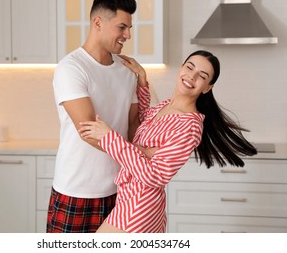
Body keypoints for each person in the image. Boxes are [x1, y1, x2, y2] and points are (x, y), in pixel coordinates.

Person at [78, 50, 258, 233]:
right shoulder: (165, 106)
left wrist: (108, 137)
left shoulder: (190, 126)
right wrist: (142, 79)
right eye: (190, 67)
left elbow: (154, 176)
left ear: (207, 88)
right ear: (181, 68)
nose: (192, 76)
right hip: (130, 199)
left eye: (202, 76)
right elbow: (143, 122)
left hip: (140, 208)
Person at [47, 0, 139, 233]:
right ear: (98, 22)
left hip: (120, 187)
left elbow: (134, 125)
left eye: (129, 28)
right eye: (122, 27)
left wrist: (144, 79)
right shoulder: (72, 68)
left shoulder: (128, 70)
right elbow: (88, 130)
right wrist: (142, 154)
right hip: (77, 188)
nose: (128, 35)